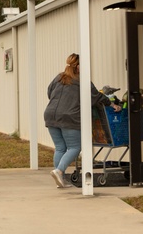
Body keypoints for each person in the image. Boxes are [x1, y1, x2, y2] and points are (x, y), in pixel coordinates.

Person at [43, 53, 122, 188]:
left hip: (50, 114)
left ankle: (59, 178)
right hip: (69, 116)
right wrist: (112, 104)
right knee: (75, 147)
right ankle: (59, 171)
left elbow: (49, 92)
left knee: (60, 148)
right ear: (78, 67)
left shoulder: (59, 77)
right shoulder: (82, 80)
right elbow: (96, 96)